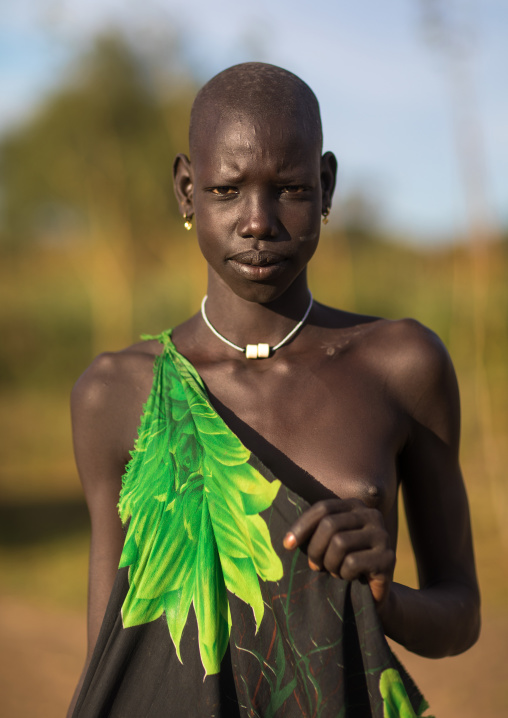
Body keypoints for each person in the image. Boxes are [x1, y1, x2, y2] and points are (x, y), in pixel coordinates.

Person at [68, 63, 480, 717]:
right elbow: (112, 655)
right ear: (186, 190)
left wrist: (384, 598)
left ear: (325, 186)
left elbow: (461, 617)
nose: (257, 221)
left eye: (288, 188)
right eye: (226, 190)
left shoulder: (401, 365)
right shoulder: (117, 394)